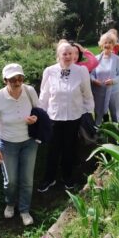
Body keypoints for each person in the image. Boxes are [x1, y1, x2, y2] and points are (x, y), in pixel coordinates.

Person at [37, 41, 94, 192]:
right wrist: (40, 116)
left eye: (70, 53)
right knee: (53, 149)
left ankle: (67, 178)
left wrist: (88, 111)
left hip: (74, 117)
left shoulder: (81, 71)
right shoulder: (49, 71)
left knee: (69, 148)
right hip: (54, 117)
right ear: (58, 56)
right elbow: (44, 96)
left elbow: (87, 94)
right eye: (65, 53)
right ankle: (49, 179)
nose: (68, 56)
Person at [0, 63, 39, 226]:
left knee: (27, 180)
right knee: (11, 180)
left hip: (29, 142)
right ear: (5, 80)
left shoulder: (30, 91)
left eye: (20, 78)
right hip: (7, 143)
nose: (17, 82)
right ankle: (10, 203)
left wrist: (35, 119)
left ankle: (24, 210)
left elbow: (39, 113)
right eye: (12, 80)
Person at [91, 32, 119, 125]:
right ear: (101, 45)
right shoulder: (96, 59)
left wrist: (113, 81)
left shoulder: (117, 59)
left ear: (113, 45)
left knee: (115, 113)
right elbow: (91, 74)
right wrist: (94, 80)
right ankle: (98, 134)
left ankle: (117, 133)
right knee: (98, 113)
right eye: (105, 42)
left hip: (114, 91)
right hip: (99, 91)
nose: (107, 45)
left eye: (110, 43)